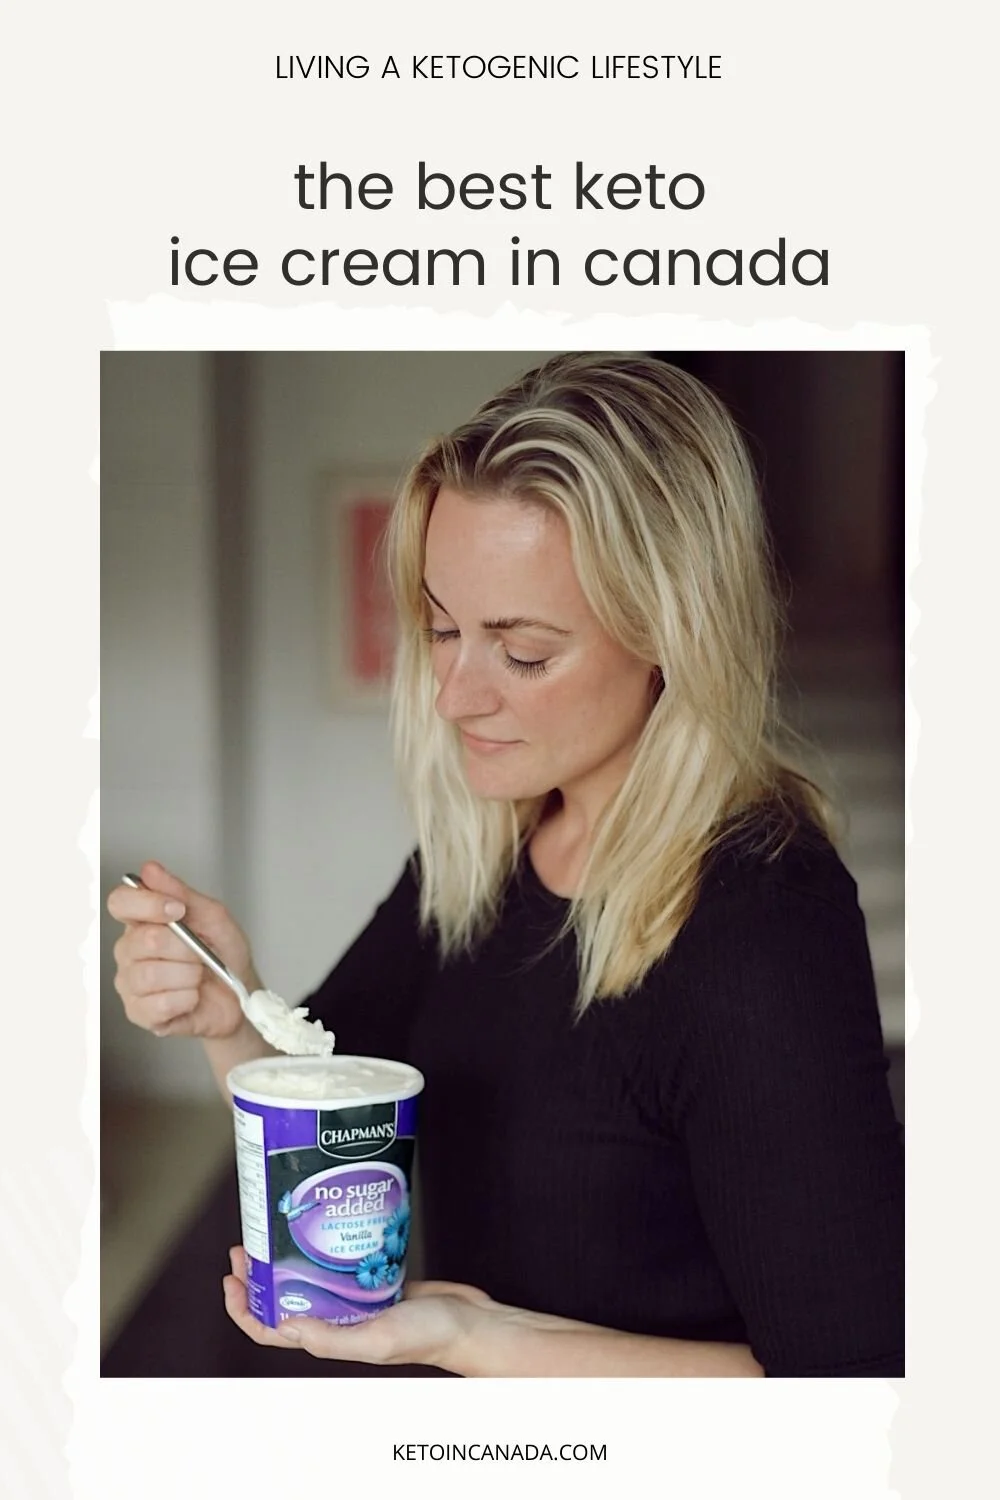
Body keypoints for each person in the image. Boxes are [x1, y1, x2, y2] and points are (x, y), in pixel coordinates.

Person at [108, 352, 904, 1377]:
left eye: (522, 652)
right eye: (443, 629)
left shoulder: (766, 924)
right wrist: (230, 1010)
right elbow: (329, 1125)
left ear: (675, 632)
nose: (454, 694)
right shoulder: (485, 854)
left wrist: (475, 1338)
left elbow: (847, 1382)